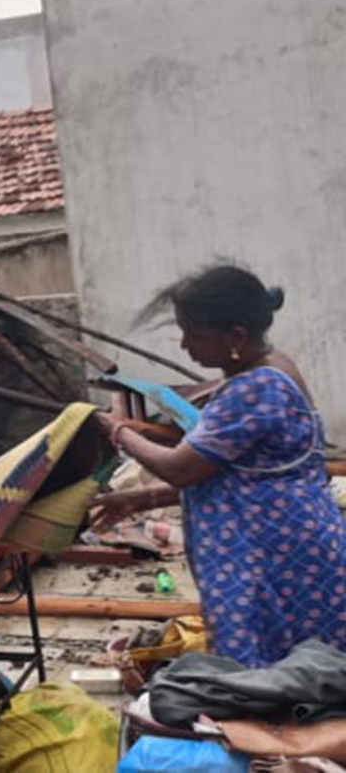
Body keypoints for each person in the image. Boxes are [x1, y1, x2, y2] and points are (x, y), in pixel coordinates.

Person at [90, 264, 346, 667]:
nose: (185, 346)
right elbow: (236, 476)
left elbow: (181, 468)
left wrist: (117, 431)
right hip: (285, 547)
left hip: (273, 559)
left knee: (277, 676)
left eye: (194, 334)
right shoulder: (274, 368)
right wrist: (138, 499)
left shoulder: (255, 387)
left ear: (236, 338)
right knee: (298, 674)